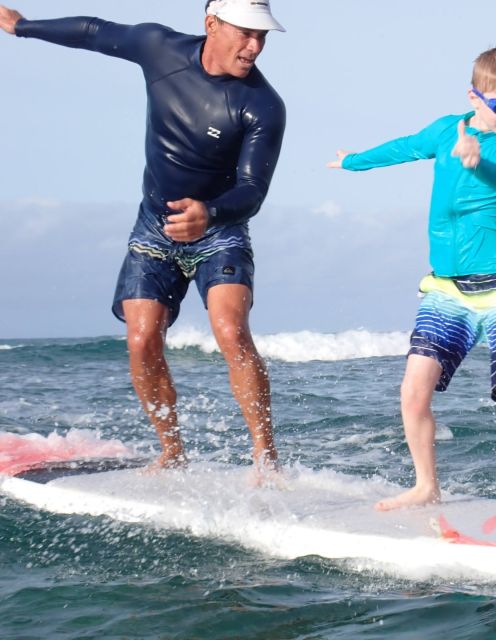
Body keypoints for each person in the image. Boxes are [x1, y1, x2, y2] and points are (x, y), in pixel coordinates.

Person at [0, 1, 286, 479]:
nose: (255, 46)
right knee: (141, 340)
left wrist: (209, 213)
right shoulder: (160, 48)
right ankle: (172, 451)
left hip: (219, 229)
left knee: (231, 332)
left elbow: (252, 191)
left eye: (263, 36)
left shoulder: (262, 105)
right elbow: (95, 31)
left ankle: (266, 459)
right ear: (211, 25)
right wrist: (23, 27)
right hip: (154, 227)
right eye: (246, 33)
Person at [328, 48, 496, 527]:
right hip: (446, 289)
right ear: (475, 97)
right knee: (413, 391)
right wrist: (354, 162)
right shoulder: (448, 129)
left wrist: (476, 159)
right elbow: (405, 147)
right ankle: (426, 486)